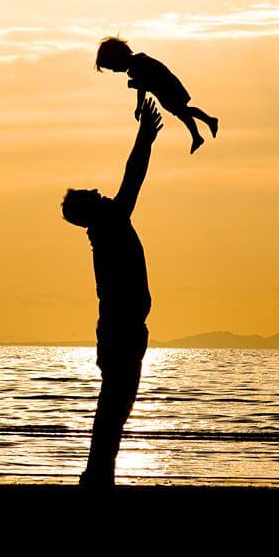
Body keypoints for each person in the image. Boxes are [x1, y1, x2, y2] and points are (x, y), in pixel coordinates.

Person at [61, 97, 163, 490]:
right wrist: (145, 138)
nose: (101, 192)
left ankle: (99, 474)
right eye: (93, 194)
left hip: (123, 328)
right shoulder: (109, 226)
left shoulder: (107, 228)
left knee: (117, 405)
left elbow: (129, 180)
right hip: (122, 329)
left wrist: (144, 139)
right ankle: (97, 475)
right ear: (90, 210)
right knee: (115, 405)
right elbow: (132, 176)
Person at [95, 36, 218, 154]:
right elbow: (143, 84)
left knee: (183, 110)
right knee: (182, 113)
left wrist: (138, 106)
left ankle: (209, 121)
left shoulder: (137, 65)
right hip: (164, 91)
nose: (115, 71)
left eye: (113, 68)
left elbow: (142, 87)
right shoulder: (137, 62)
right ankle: (197, 136)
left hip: (168, 88)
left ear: (118, 59)